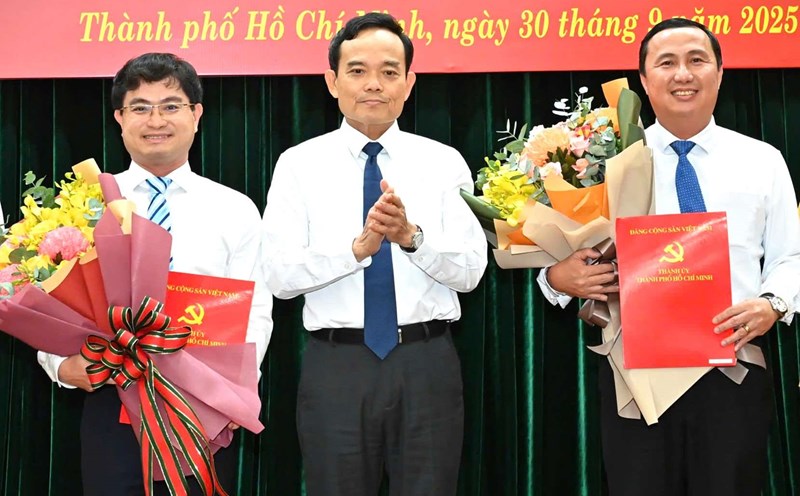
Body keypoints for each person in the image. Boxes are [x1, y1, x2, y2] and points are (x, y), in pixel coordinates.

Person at [538, 18, 800, 496]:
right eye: (667, 63)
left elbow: (791, 254)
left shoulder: (762, 159)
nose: (683, 74)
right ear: (643, 80)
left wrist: (773, 304)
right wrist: (557, 278)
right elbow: (558, 258)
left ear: (720, 73)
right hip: (635, 376)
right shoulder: (605, 164)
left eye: (697, 61)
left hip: (731, 367)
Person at [261, 12, 487, 496]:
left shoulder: (444, 162)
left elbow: (471, 271)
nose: (374, 84)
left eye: (389, 71)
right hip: (336, 366)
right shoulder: (298, 164)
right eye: (357, 70)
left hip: (425, 362)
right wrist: (357, 250)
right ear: (332, 81)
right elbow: (279, 275)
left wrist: (411, 237)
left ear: (409, 82)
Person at [36, 53, 273, 495]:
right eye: (140, 107)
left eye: (170, 105)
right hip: (110, 389)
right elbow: (48, 301)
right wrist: (61, 366)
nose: (155, 120)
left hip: (200, 400)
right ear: (119, 118)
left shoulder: (235, 208)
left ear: (197, 115)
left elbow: (255, 310)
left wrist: (231, 392)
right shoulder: (83, 204)